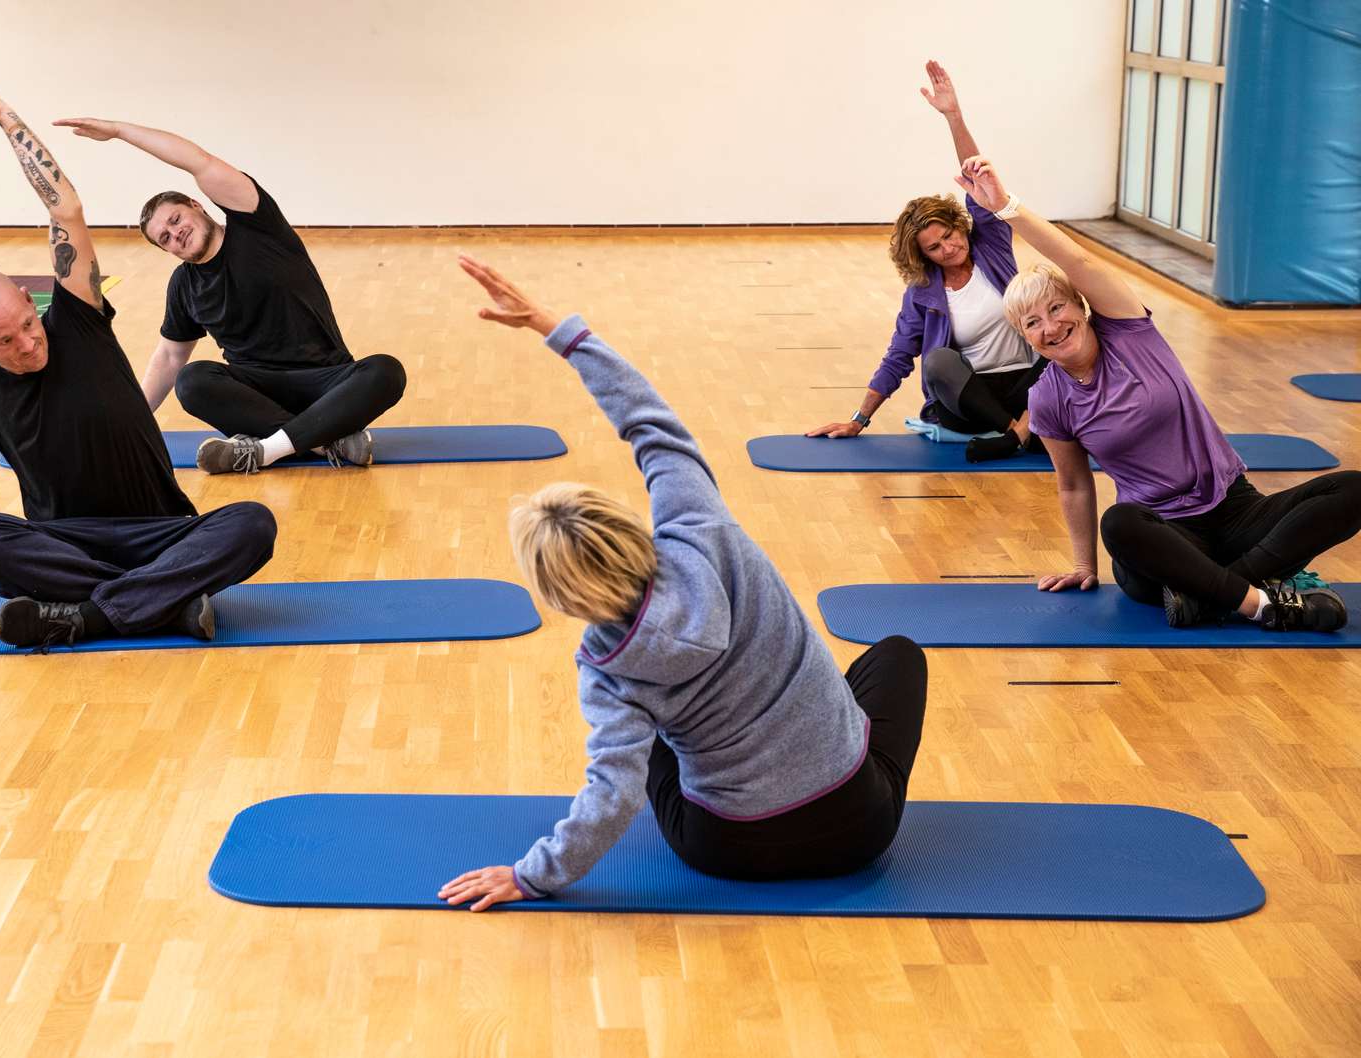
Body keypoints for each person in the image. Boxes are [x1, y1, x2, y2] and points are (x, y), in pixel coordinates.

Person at [438, 257, 929, 911]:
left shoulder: (607, 669)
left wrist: (531, 876)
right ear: (620, 520)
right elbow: (647, 419)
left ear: (558, 595)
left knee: (646, 744)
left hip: (729, 853)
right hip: (859, 832)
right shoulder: (697, 519)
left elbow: (611, 795)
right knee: (897, 654)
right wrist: (556, 329)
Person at [0, 82, 277, 649]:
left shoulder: (78, 321)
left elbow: (63, 208)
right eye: (4, 342)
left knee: (251, 524)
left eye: (27, 324)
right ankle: (163, 603)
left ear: (31, 299)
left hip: (161, 533)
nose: (27, 344)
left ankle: (86, 617)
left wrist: (4, 116)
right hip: (65, 546)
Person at [956, 154, 1360, 631]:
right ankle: (1262, 600)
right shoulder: (1048, 398)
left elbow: (1077, 260)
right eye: (1033, 323)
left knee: (1352, 488)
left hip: (1236, 510)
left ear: (1082, 307)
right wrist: (1085, 567)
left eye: (1057, 307)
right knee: (1120, 524)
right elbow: (1073, 483)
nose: (1051, 326)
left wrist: (1007, 208)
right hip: (1165, 536)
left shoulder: (1129, 331)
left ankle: (1219, 595)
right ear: (1026, 339)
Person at [52, 114, 407, 474]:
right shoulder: (184, 285)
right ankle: (324, 438)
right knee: (192, 381)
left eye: (175, 221)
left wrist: (119, 132)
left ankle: (265, 450)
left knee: (386, 372)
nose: (176, 235)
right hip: (258, 393)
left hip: (326, 381)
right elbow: (170, 359)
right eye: (165, 238)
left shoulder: (257, 225)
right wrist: (133, 420)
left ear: (196, 204)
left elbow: (198, 160)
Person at [809, 61, 1044, 462]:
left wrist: (953, 116)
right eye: (935, 248)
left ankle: (1018, 433)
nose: (949, 248)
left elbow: (978, 179)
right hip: (972, 401)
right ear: (923, 257)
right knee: (937, 362)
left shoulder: (991, 247)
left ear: (959, 225)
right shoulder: (923, 294)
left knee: (1067, 335)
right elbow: (899, 356)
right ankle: (1018, 433)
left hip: (1026, 387)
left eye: (950, 235)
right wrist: (857, 420)